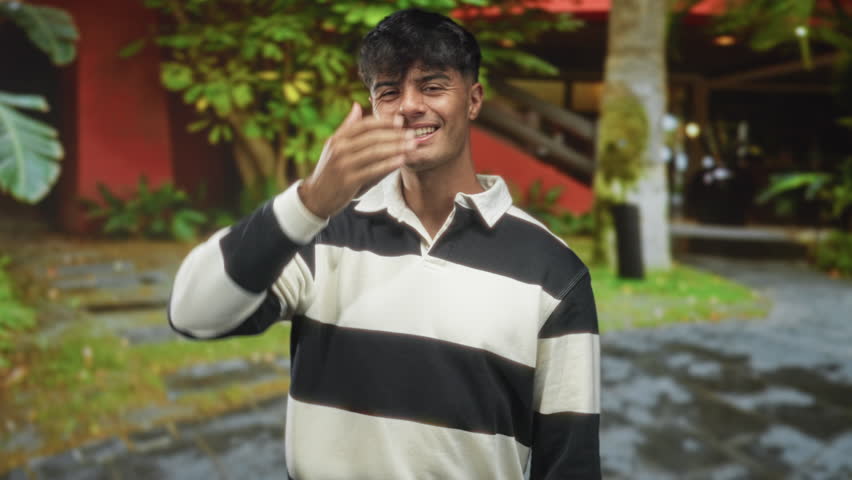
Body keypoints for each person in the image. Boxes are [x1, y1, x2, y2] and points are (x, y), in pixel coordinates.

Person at [169, 8, 600, 479]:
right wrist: (309, 203)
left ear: (473, 99)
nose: (410, 106)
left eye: (433, 86)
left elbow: (570, 465)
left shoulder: (554, 271)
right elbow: (192, 314)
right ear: (374, 108)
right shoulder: (324, 236)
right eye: (389, 91)